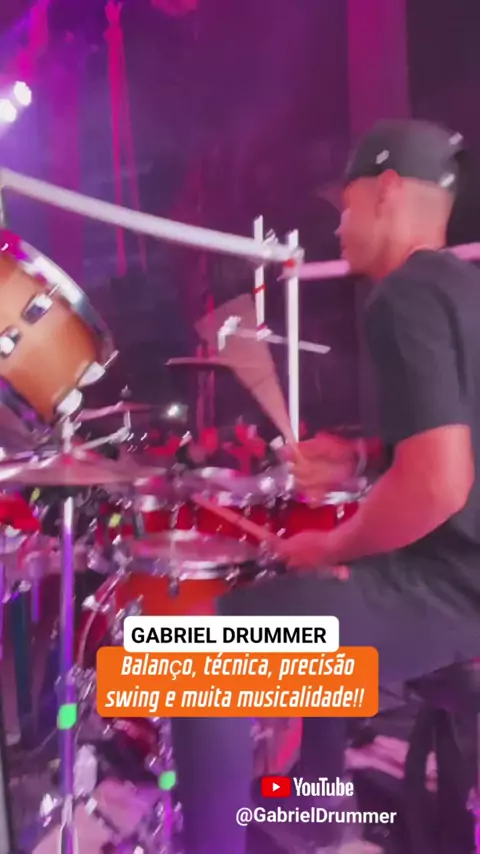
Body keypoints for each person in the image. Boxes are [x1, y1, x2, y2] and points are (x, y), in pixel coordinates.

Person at [171, 119, 480, 853]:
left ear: (387, 191)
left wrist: (334, 544)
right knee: (323, 598)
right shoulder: (465, 289)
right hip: (464, 575)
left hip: (455, 592)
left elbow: (441, 484)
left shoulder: (403, 297)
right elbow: (456, 436)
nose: (337, 228)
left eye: (345, 206)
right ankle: (315, 813)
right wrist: (360, 460)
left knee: (194, 656)